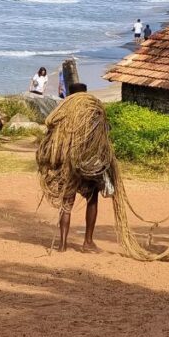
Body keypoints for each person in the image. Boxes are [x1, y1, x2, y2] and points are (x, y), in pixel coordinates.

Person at [56, 83, 102, 253]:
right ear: (85, 93)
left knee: (67, 202)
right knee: (92, 200)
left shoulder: (62, 111)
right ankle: (87, 242)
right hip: (88, 163)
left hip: (67, 163)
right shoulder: (95, 110)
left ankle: (62, 244)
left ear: (70, 94)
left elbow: (53, 136)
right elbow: (104, 134)